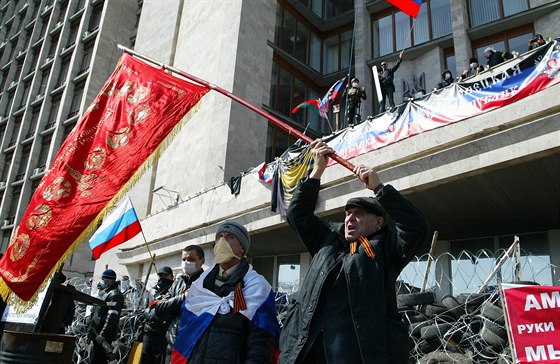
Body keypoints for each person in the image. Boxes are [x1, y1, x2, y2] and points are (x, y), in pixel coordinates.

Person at [279, 140, 428, 364]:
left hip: (355, 355)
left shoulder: (387, 249)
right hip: (306, 350)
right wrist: (317, 169)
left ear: (378, 222)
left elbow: (416, 226)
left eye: (359, 213)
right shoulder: (328, 240)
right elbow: (297, 214)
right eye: (348, 213)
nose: (350, 218)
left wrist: (380, 189)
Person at [172, 221, 280, 363]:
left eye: (230, 237)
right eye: (219, 237)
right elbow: (185, 331)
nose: (222, 241)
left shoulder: (257, 288)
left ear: (242, 248)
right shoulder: (199, 286)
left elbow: (260, 343)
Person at [152, 245, 206, 360]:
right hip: (172, 343)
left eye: (191, 259)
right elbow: (159, 307)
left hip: (194, 347)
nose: (187, 263)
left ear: (202, 261)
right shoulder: (177, 283)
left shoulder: (207, 283)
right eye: (184, 259)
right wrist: (182, 297)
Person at [140, 266, 176, 364]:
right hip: (148, 331)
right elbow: (145, 308)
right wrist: (150, 313)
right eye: (160, 275)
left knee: (159, 359)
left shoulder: (174, 291)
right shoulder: (152, 291)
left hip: (163, 334)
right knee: (145, 358)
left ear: (172, 277)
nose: (163, 277)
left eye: (165, 275)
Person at [90, 269, 125, 364]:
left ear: (109, 280)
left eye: (104, 279)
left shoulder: (115, 295)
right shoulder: (106, 292)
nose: (102, 281)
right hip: (97, 332)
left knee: (99, 360)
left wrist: (103, 334)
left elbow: (112, 317)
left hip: (103, 336)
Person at [378, 50, 404, 114]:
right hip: (383, 88)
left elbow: (397, 65)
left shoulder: (390, 71)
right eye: (382, 65)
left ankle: (393, 107)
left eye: (384, 64)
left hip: (389, 86)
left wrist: (400, 57)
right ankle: (381, 112)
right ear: (381, 66)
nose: (383, 66)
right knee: (382, 101)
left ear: (386, 65)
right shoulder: (379, 74)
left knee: (390, 99)